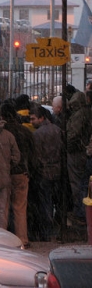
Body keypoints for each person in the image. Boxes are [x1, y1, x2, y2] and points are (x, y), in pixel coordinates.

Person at [1, 102, 36, 248]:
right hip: (22, 172)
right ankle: (23, 239)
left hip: (4, 173)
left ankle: (2, 239)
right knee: (20, 208)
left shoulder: (2, 132)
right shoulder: (25, 131)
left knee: (3, 207)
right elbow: (33, 152)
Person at [30, 105, 63, 241]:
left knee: (45, 203)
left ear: (42, 118)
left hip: (44, 172)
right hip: (57, 170)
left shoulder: (37, 134)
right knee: (56, 202)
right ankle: (56, 230)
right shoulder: (57, 130)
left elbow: (36, 156)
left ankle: (46, 232)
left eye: (33, 119)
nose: (31, 122)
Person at [66, 90, 92, 225]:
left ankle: (80, 213)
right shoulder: (86, 113)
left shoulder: (79, 115)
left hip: (76, 152)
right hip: (82, 151)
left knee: (77, 183)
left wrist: (68, 146)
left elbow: (73, 134)